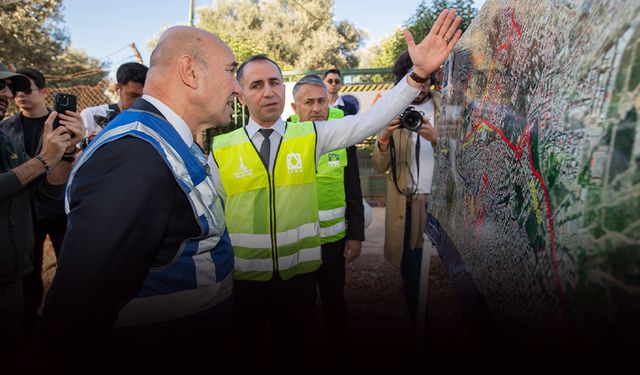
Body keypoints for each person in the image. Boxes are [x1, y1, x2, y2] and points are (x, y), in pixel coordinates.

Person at [210, 8, 462, 362]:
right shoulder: (222, 149)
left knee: (292, 350)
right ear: (241, 94)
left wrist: (417, 75)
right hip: (243, 282)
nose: (268, 92)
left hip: (298, 280)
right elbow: (210, 223)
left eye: (274, 82)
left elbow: (369, 121)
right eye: (256, 84)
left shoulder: (310, 135)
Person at [40, 26, 239, 359]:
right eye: (231, 71)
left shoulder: (170, 140)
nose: (237, 87)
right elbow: (77, 312)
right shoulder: (133, 154)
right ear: (190, 71)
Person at [0, 64, 82, 369]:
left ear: (43, 92)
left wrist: (68, 153)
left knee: (68, 268)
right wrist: (45, 158)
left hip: (45, 217)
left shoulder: (42, 126)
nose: (12, 94)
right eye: (8, 88)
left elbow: (47, 187)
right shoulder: (8, 128)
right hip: (20, 228)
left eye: (18, 88)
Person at [289, 74, 365, 353]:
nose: (316, 108)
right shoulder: (284, 136)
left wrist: (356, 235)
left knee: (334, 301)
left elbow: (353, 187)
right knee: (299, 305)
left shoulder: (341, 133)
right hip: (296, 241)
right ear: (295, 108)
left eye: (321, 101)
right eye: (308, 102)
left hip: (333, 241)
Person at [372, 50, 441, 322]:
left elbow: (463, 154)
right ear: (404, 81)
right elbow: (379, 166)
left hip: (438, 200)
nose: (421, 87)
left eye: (426, 80)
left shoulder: (447, 106)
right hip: (408, 201)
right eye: (416, 80)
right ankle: (416, 314)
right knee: (411, 265)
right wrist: (384, 136)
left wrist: (437, 138)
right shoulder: (391, 109)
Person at [80, 62, 148, 143]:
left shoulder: (148, 122)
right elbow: (75, 153)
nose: (138, 103)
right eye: (132, 95)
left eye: (144, 97)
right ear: (117, 89)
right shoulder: (90, 116)